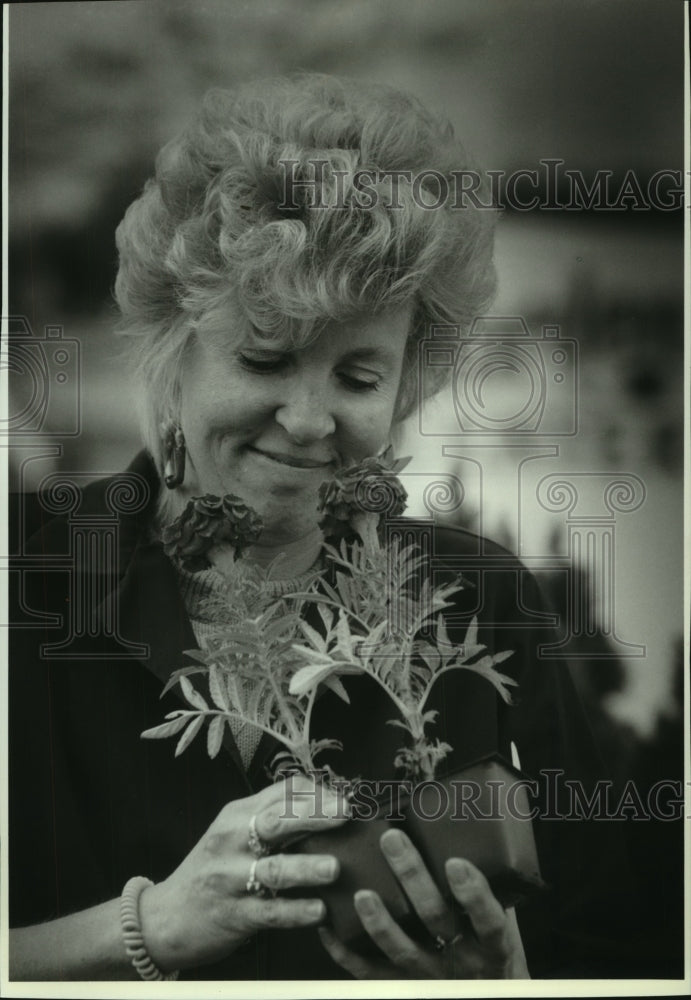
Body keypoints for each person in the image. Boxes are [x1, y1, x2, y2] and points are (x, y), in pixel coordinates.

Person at [8, 73, 632, 981]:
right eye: (265, 356)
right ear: (168, 351)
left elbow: (629, 938)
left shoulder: (487, 601)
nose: (308, 419)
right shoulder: (28, 574)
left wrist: (509, 981)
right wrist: (141, 928)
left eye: (357, 377)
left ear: (407, 385)